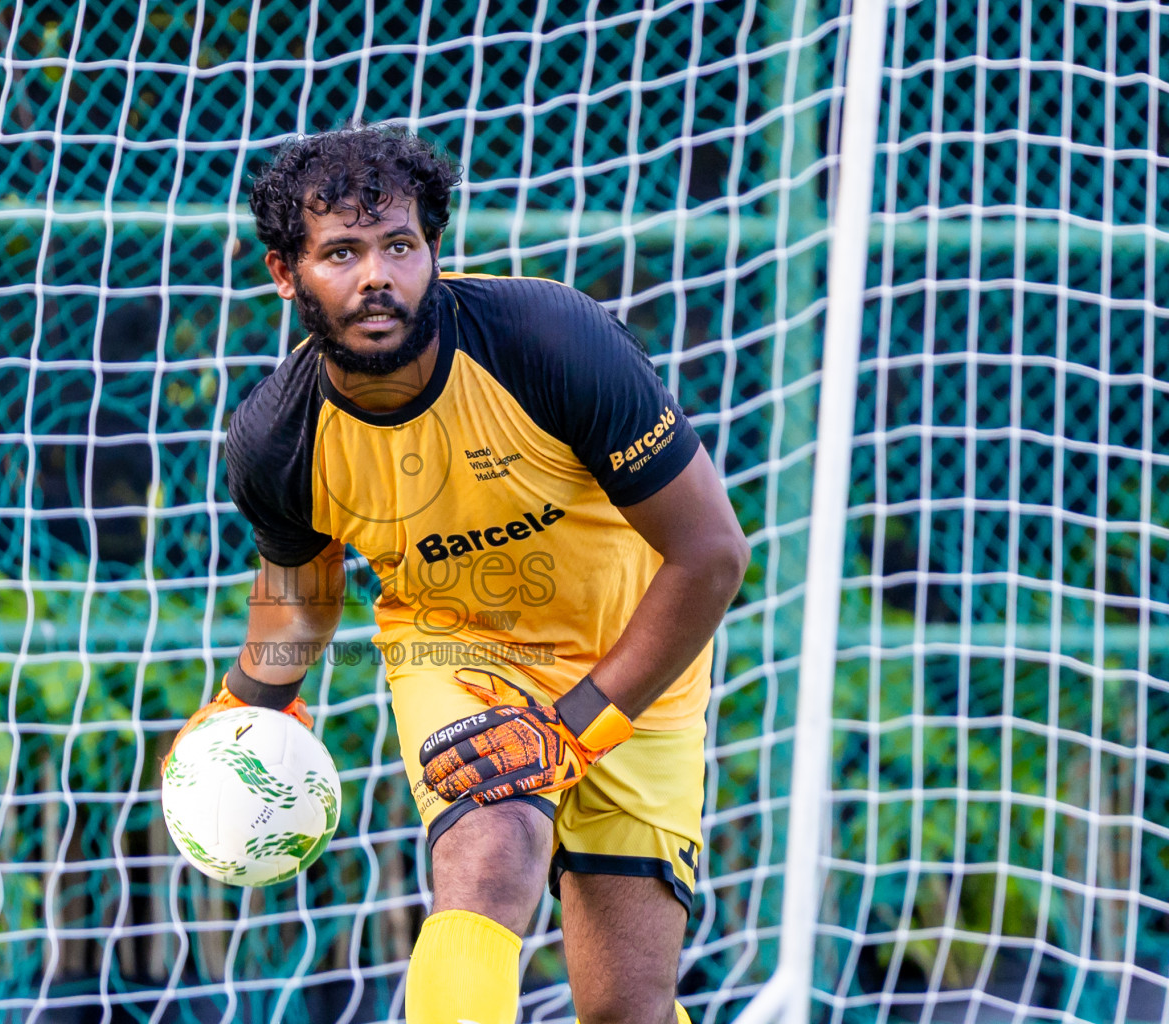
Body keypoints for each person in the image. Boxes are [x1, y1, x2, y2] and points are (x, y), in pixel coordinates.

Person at [177, 125, 750, 1024]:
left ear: (432, 251)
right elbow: (300, 597)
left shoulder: (547, 338)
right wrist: (240, 706)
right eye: (341, 253)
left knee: (627, 1007)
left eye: (399, 246)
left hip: (641, 650)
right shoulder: (275, 439)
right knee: (491, 851)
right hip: (458, 649)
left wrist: (576, 726)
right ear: (286, 273)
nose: (377, 277)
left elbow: (711, 554)